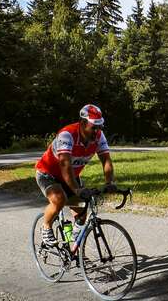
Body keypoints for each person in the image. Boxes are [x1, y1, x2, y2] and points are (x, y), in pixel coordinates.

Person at [35, 104, 116, 247]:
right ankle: (46, 226)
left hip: (71, 176)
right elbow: (65, 165)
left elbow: (106, 160)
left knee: (83, 210)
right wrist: (77, 190)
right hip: (48, 174)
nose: (97, 131)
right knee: (59, 200)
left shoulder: (99, 136)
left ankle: (74, 250)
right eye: (94, 127)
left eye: (100, 127)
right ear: (83, 123)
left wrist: (109, 183)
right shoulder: (67, 135)